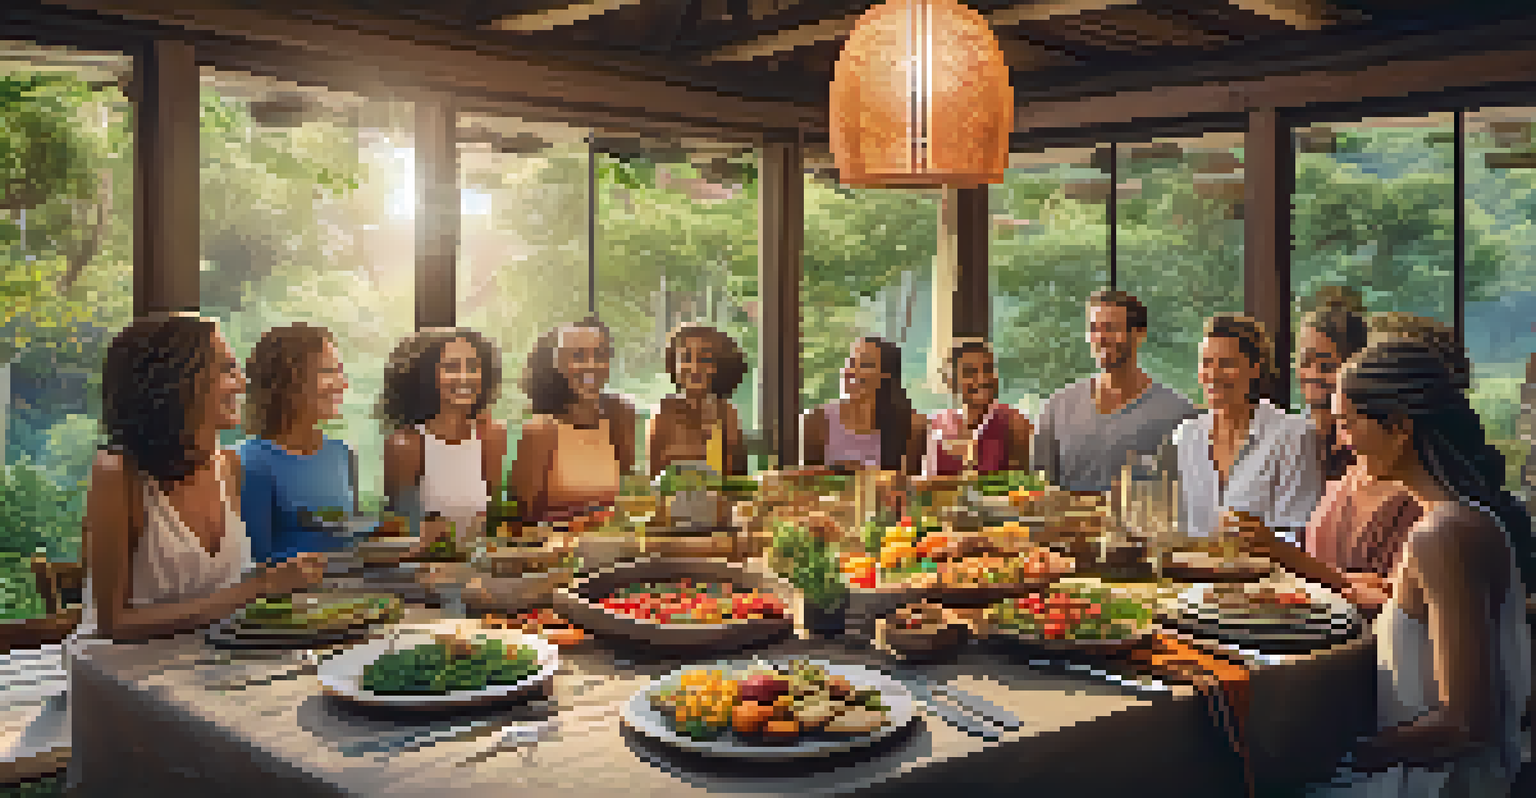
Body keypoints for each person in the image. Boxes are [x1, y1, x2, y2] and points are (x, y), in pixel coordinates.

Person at [1300, 338, 1531, 798]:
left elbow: (1465, 723)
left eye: (1347, 423)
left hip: (1432, 783)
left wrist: (1350, 753)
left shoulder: (1441, 535)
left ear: (1400, 427)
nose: (1341, 441)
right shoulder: (1468, 521)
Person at [79, 314, 326, 642]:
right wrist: (261, 586)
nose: (241, 383)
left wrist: (280, 579)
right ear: (176, 380)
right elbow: (114, 623)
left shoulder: (230, 466)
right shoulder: (118, 472)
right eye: (226, 369)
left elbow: (220, 592)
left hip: (214, 658)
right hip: (118, 666)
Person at [1173, 314, 1322, 544]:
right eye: (1207, 362)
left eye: (1226, 364)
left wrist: (1263, 539)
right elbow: (1172, 523)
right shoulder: (1187, 435)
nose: (1213, 374)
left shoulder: (1293, 434)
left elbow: (1297, 532)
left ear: (1255, 368)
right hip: (1191, 565)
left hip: (1264, 566)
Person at [1032, 289, 1196, 493]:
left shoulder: (1179, 414)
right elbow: (1038, 489)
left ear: (1139, 334)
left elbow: (1192, 493)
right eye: (1094, 329)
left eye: (1111, 328)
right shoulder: (1057, 408)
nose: (1101, 338)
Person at [239, 323, 359, 563]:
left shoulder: (343, 454)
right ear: (287, 382)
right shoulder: (249, 463)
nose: (343, 384)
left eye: (340, 372)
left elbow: (347, 542)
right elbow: (255, 565)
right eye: (328, 372)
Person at [378, 329, 509, 545]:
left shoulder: (492, 435)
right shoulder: (405, 445)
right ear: (426, 376)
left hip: (481, 561)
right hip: (426, 562)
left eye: (473, 367)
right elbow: (401, 532)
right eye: (451, 367)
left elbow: (493, 520)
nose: (465, 377)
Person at [510, 318, 636, 522]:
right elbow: (520, 520)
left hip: (612, 538)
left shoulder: (620, 415)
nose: (591, 365)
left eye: (600, 355)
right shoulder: (541, 430)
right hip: (556, 540)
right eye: (577, 355)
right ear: (556, 364)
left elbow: (628, 498)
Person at [801, 336, 926, 475]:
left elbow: (909, 484)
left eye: (865, 365)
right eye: (851, 363)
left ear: (886, 376)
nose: (852, 371)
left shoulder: (911, 425)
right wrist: (840, 471)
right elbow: (807, 481)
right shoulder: (817, 420)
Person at [647, 323, 748, 477]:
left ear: (718, 365)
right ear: (673, 365)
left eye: (704, 358)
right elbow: (652, 479)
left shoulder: (727, 414)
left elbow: (738, 477)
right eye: (686, 358)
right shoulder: (663, 414)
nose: (695, 367)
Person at [924, 338, 1032, 476]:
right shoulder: (937, 426)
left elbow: (1025, 483)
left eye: (988, 370)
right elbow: (926, 481)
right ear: (951, 380)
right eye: (970, 372)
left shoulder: (1014, 424)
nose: (982, 379)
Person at [1296, 300, 1368, 483]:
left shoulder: (1365, 444)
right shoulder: (1286, 436)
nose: (1313, 374)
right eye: (1305, 361)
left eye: (1327, 366)